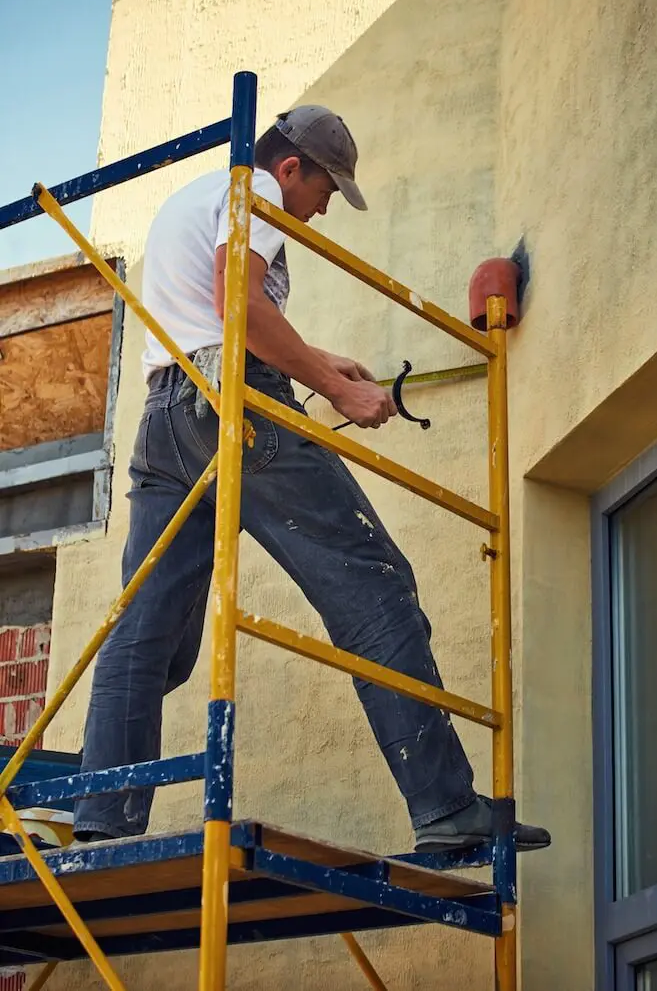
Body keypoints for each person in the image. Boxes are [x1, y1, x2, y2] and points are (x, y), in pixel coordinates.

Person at [74, 105, 550, 854]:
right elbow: (241, 310)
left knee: (146, 621)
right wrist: (340, 393)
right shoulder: (251, 190)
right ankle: (445, 807)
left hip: (167, 418)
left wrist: (324, 364)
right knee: (373, 583)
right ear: (289, 168)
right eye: (327, 189)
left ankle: (101, 815)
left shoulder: (193, 199)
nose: (324, 209)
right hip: (234, 401)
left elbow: (210, 319)